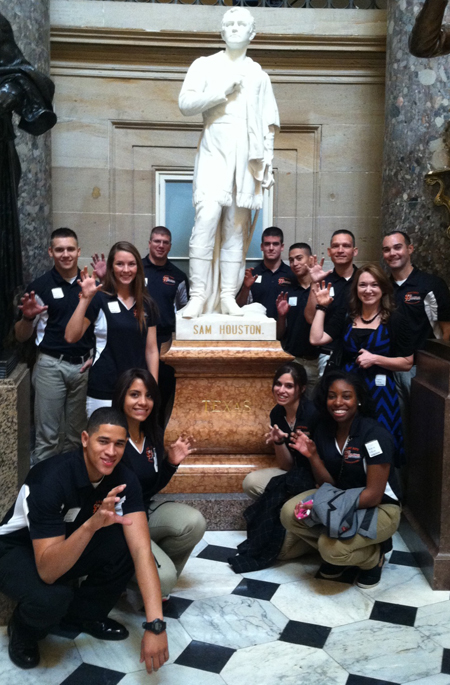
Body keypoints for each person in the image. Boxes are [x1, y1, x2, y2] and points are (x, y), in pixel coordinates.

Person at [0, 407, 169, 672]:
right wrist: (91, 526)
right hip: (15, 550)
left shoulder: (124, 478)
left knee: (126, 544)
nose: (111, 452)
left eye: (119, 444)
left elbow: (141, 551)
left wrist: (155, 625)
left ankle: (85, 616)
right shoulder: (51, 479)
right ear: (85, 439)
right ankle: (23, 630)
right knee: (53, 596)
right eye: (103, 441)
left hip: (65, 543)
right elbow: (47, 571)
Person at [178, 7, 279, 318]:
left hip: (246, 153)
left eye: (241, 24)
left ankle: (226, 297)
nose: (235, 28)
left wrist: (268, 163)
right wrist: (220, 92)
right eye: (229, 24)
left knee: (236, 228)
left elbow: (268, 124)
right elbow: (185, 104)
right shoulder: (204, 65)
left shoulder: (259, 75)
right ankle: (197, 296)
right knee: (207, 217)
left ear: (252, 34)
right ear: (221, 32)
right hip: (215, 144)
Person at [280, 371, 401, 589]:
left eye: (346, 396)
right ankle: (345, 553)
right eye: (332, 396)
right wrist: (313, 456)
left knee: (331, 549)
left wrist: (324, 507)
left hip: (380, 507)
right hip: (341, 500)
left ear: (359, 399)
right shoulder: (326, 430)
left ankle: (373, 558)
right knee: (291, 513)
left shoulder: (374, 434)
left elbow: (373, 496)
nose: (338, 402)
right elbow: (330, 485)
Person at [113, 368, 206, 598]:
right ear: (121, 396)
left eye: (149, 396)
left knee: (194, 523)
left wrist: (171, 464)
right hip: (119, 522)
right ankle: (126, 575)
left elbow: (151, 486)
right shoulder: (111, 436)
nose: (143, 402)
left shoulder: (152, 432)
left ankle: (149, 573)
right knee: (163, 581)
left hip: (144, 511)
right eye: (134, 395)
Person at [310, 263, 414, 464]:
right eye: (362, 285)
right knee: (349, 438)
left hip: (381, 392)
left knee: (381, 442)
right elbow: (316, 339)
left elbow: (407, 362)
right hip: (348, 390)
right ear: (355, 289)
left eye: (374, 285)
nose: (368, 290)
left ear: (382, 288)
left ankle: (382, 490)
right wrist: (322, 306)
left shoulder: (396, 319)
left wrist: (375, 358)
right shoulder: (347, 315)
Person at [14, 228, 94, 461]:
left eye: (70, 249)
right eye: (59, 249)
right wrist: (27, 318)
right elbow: (21, 336)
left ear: (79, 251)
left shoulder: (89, 285)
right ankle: (43, 493)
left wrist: (94, 356)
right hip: (50, 366)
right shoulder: (39, 287)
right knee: (47, 437)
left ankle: (70, 490)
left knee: (77, 438)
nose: (65, 254)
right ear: (51, 252)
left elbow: (101, 329)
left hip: (82, 369)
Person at [230, 362, 318, 572]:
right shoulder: (277, 414)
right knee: (251, 482)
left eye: (289, 386)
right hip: (295, 474)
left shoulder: (314, 414)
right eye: (278, 384)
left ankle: (312, 540)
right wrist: (279, 442)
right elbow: (287, 465)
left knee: (282, 552)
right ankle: (289, 519)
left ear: (302, 388)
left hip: (317, 479)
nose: (281, 390)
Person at [65, 241, 159, 417]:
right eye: (119, 264)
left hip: (137, 390)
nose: (125, 270)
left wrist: (152, 387)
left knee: (133, 441)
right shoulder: (99, 299)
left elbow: (152, 350)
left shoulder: (147, 304)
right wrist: (85, 299)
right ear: (111, 267)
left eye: (131, 264)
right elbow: (71, 337)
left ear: (138, 267)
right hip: (104, 387)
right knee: (104, 442)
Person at [382, 230, 450, 401]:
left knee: (423, 424)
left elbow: (445, 330)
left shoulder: (431, 285)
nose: (392, 253)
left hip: (422, 370)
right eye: (387, 249)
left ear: (410, 248)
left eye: (398, 247)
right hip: (387, 367)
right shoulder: (383, 288)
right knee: (395, 424)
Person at [304, 230, 359, 373]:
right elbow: (310, 318)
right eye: (335, 246)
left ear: (355, 251)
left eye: (346, 246)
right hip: (329, 352)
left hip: (361, 353)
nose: (340, 250)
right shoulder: (324, 282)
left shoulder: (364, 281)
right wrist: (314, 283)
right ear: (329, 251)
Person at [276, 242, 319, 393]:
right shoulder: (287, 291)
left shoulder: (321, 289)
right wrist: (281, 316)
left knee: (312, 410)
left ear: (311, 259)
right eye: (291, 260)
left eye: (299, 258)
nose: (295, 263)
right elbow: (279, 334)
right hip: (291, 359)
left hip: (315, 361)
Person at [143, 226, 189, 350]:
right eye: (157, 241)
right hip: (137, 335)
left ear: (170, 246)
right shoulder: (135, 270)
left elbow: (183, 310)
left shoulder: (179, 276)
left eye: (165, 242)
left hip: (165, 338)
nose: (161, 245)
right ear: (149, 243)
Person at [236, 226, 294, 319]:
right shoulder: (252, 274)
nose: (271, 248)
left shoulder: (292, 274)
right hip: (258, 329)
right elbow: (239, 307)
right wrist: (246, 288)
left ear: (282, 247)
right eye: (267, 244)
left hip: (287, 331)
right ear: (262, 247)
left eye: (275, 244)